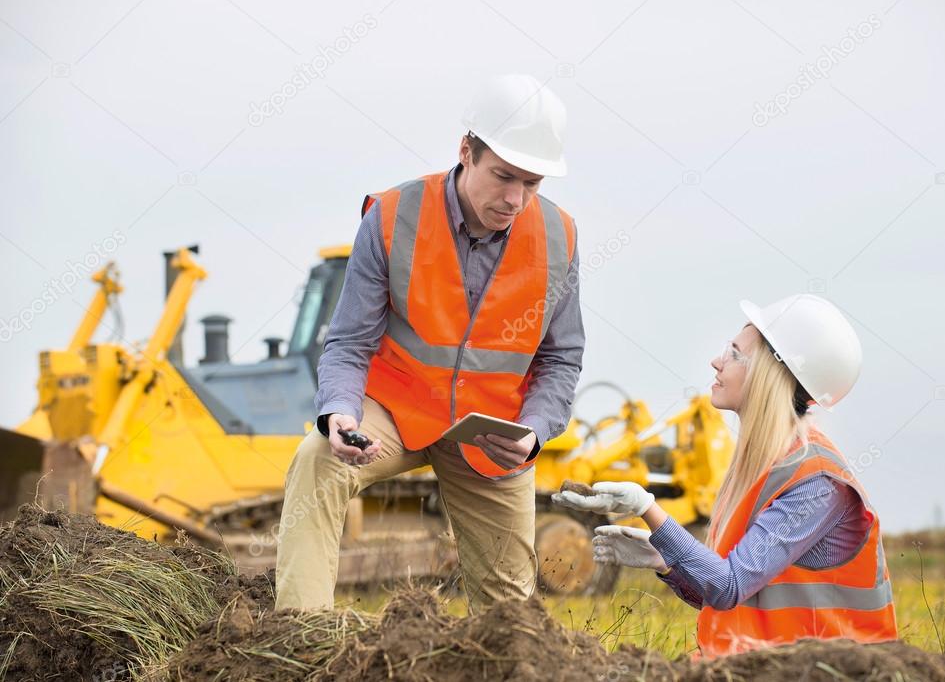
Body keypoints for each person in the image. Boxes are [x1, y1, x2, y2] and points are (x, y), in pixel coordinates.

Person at [274, 74, 584, 612]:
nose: (515, 199)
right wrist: (340, 414)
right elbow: (348, 341)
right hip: (397, 410)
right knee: (318, 458)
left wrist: (534, 433)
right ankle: (303, 640)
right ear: (465, 152)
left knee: (511, 615)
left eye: (531, 183)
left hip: (492, 435)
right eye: (504, 176)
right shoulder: (393, 216)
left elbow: (561, 358)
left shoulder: (560, 237)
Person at [554, 294, 898, 657]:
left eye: (734, 353)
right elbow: (724, 595)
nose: (717, 361)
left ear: (770, 373)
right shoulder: (768, 466)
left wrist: (647, 509)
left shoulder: (816, 484)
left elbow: (728, 586)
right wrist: (664, 560)